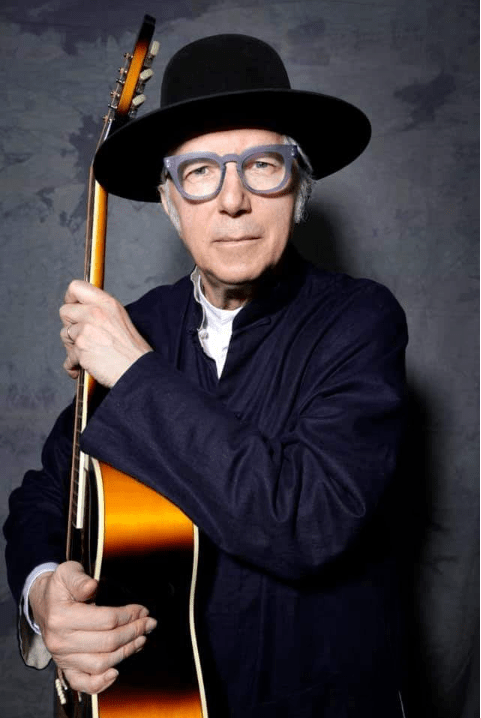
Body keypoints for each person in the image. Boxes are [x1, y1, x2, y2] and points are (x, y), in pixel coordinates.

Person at [4, 34, 408, 717]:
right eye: (199, 172)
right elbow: (48, 497)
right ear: (170, 200)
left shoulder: (358, 321)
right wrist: (44, 594)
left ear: (298, 186)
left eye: (262, 166)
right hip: (153, 702)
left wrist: (134, 373)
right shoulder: (136, 325)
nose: (233, 201)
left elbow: (305, 521)